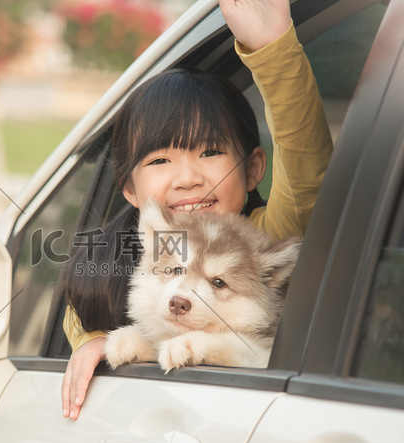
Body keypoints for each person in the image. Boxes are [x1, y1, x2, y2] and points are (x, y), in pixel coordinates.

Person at [61, 0, 333, 420]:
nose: (188, 178)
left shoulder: (266, 235)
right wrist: (93, 338)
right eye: (159, 160)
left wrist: (273, 47)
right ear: (130, 189)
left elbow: (307, 176)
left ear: (253, 169)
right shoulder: (133, 247)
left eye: (209, 151)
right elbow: (88, 296)